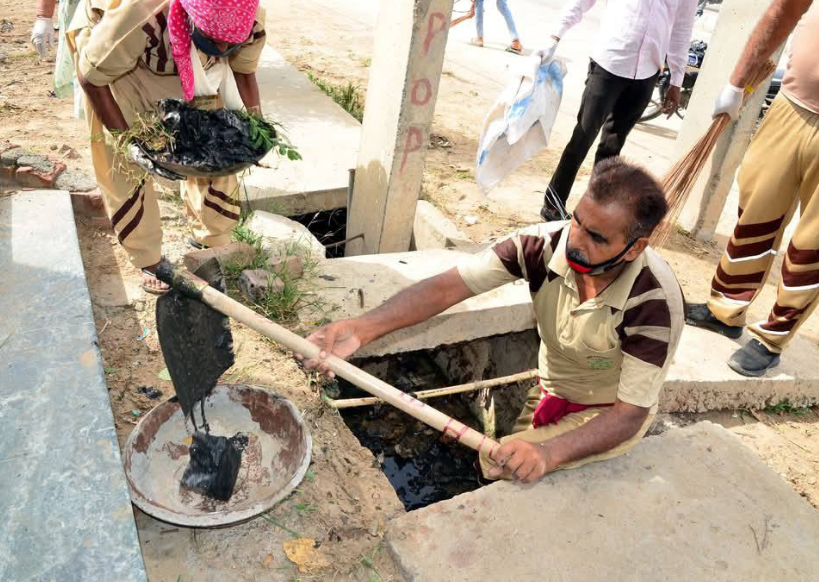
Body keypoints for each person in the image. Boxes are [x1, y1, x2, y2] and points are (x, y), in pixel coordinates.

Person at [300, 158, 684, 483]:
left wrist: (549, 453)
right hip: (550, 390)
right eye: (576, 221)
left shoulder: (653, 304)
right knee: (502, 461)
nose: (575, 241)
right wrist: (362, 329)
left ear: (635, 248)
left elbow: (628, 414)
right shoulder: (540, 245)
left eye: (596, 237)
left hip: (603, 413)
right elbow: (446, 288)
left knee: (510, 467)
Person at [65, 0, 266, 292]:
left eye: (230, 44)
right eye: (213, 39)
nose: (222, 50)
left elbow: (244, 71)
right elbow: (91, 78)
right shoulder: (139, 14)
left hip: (182, 59)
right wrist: (128, 142)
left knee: (218, 140)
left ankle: (211, 238)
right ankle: (148, 258)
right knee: (125, 159)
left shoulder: (248, 17)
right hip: (114, 63)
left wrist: (257, 128)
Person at [686, 0, 817, 377]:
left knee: (812, 243)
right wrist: (736, 82)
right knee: (755, 209)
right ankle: (725, 310)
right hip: (791, 107)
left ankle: (772, 337)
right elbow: (782, 12)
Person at [536, 0, 698, 222]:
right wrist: (555, 36)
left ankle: (594, 212)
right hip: (609, 60)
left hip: (647, 72)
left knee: (612, 147)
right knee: (582, 137)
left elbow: (682, 28)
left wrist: (676, 80)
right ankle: (553, 206)